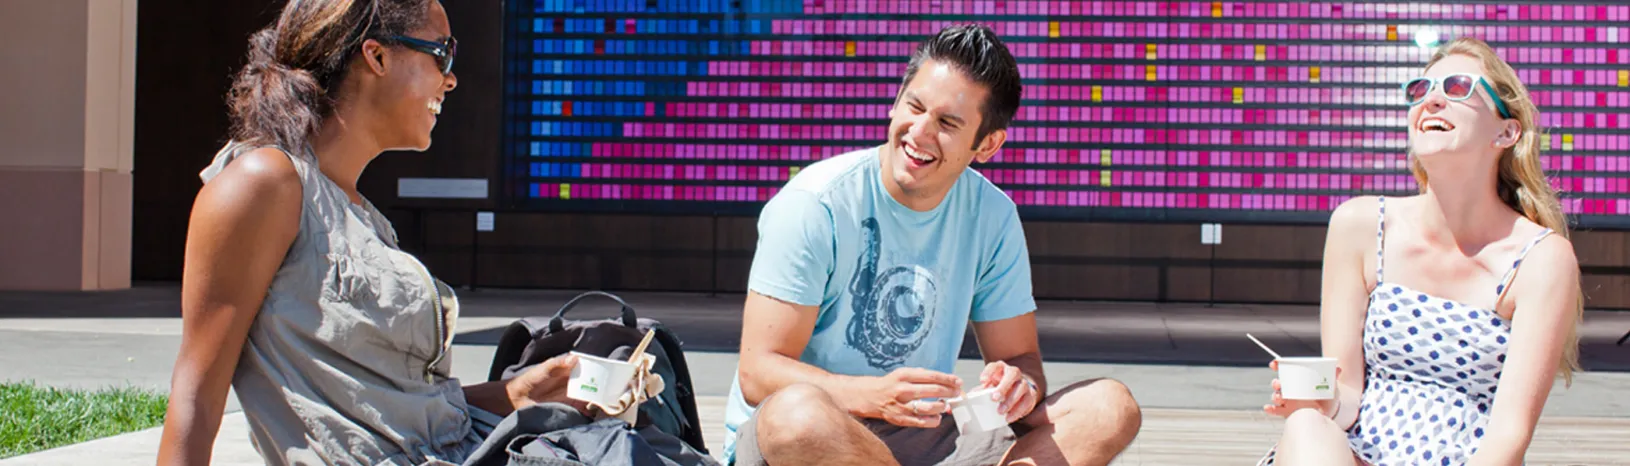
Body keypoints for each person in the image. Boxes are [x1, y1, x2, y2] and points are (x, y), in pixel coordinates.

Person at [154, 2, 705, 465]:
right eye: (442, 52)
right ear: (376, 55)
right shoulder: (262, 184)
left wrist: (522, 390)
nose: (452, 77)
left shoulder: (363, 217)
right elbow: (197, 390)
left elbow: (401, 409)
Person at [723, 24, 1144, 466]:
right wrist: (874, 396)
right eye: (915, 106)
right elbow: (759, 372)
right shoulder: (815, 205)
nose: (919, 133)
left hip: (928, 433)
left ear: (988, 144)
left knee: (1109, 407)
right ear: (896, 100)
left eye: (947, 123)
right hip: (812, 434)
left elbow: (1021, 358)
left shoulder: (992, 216)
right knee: (797, 416)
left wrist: (1019, 385)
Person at [1259, 37, 1583, 466]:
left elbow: (1509, 437)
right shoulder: (1359, 225)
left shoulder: (1542, 258)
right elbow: (1350, 394)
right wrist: (1323, 403)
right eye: (1421, 90)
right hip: (1356, 455)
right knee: (1305, 428)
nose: (1431, 100)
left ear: (1506, 132)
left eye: (1458, 89)